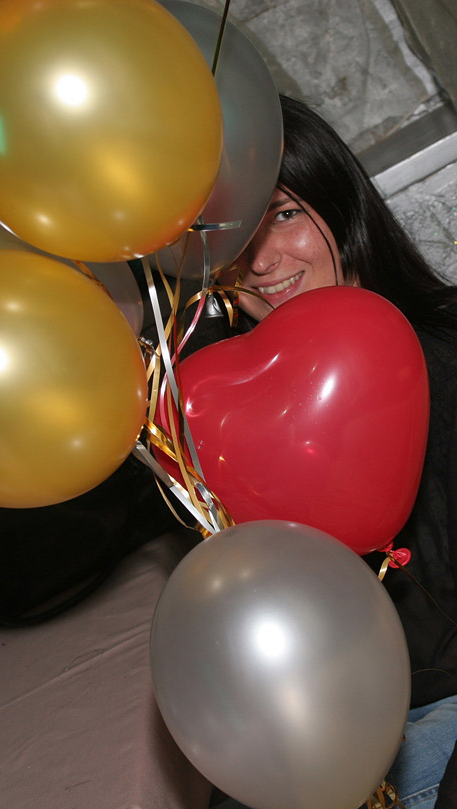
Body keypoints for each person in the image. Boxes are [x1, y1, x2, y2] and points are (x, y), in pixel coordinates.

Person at [173, 95, 457, 809]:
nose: (260, 261)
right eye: (230, 236)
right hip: (347, 730)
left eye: (284, 214)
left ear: (343, 205)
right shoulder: (228, 411)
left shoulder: (445, 360)